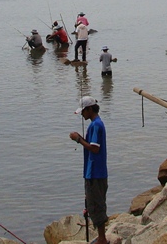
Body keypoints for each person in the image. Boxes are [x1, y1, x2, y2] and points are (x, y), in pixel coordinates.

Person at [69, 96, 108, 244]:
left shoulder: (96, 125)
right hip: (96, 172)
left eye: (83, 112)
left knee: (96, 205)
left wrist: (78, 140)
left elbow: (94, 148)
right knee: (95, 204)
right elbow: (91, 144)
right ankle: (101, 237)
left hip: (95, 173)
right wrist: (81, 138)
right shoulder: (95, 125)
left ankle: (102, 239)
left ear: (90, 109)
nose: (82, 115)